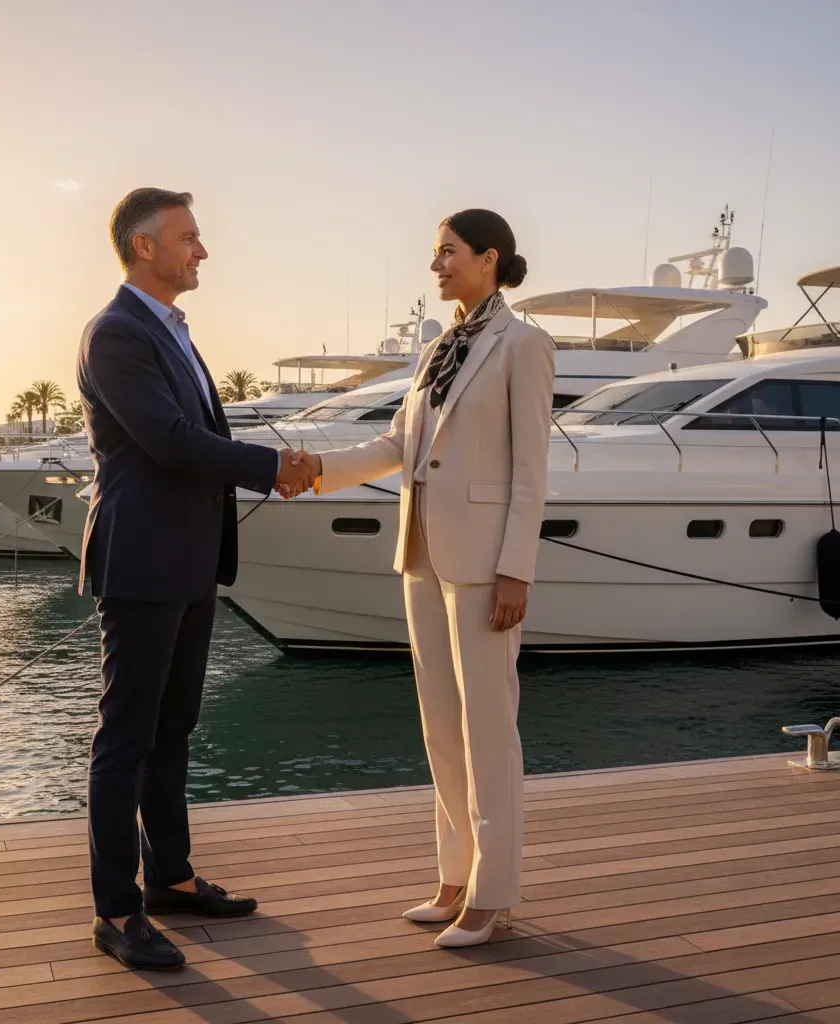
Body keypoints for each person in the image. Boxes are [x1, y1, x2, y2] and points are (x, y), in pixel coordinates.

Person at [292, 209, 554, 947]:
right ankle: (455, 875)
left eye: (448, 253)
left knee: (488, 730)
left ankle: (494, 893)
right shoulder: (439, 348)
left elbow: (533, 472)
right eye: (434, 253)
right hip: (421, 557)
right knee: (441, 728)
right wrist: (316, 472)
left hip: (482, 567)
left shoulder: (523, 346)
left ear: (488, 258)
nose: (436, 265)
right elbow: (398, 444)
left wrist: (516, 571)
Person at [77, 187, 317, 970]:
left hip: (185, 562)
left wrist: (269, 463)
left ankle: (169, 878)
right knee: (125, 741)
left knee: (172, 730)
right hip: (142, 563)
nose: (202, 251)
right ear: (145, 246)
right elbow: (170, 441)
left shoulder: (173, 332)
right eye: (189, 237)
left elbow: (197, 436)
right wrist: (274, 467)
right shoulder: (114, 333)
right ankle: (115, 909)